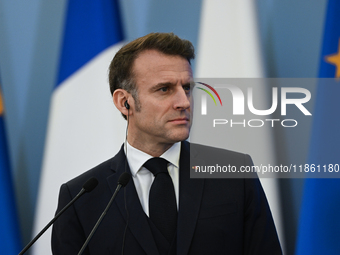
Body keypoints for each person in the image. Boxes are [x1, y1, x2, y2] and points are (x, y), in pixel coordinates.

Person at [52, 32, 282, 255]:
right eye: (164, 89)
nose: (184, 102)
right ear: (124, 102)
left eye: (187, 88)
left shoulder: (234, 174)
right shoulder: (81, 197)